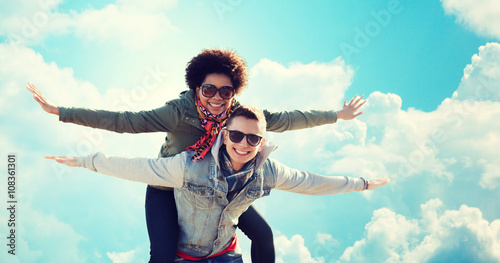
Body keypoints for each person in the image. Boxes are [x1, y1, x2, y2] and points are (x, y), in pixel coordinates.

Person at [27, 48, 366, 263]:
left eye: (226, 91)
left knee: (263, 235)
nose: (217, 98)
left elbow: (290, 119)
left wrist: (337, 115)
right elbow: (124, 121)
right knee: (162, 255)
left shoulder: (241, 116)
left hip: (216, 186)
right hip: (169, 184)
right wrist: (60, 111)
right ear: (196, 89)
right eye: (209, 90)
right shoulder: (178, 112)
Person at [46, 105, 392, 262]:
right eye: (237, 136)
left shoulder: (266, 169)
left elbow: (311, 182)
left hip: (225, 256)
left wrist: (361, 183)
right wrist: (83, 160)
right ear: (224, 135)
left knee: (264, 234)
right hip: (183, 251)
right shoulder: (189, 165)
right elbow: (136, 165)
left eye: (252, 140)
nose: (244, 144)